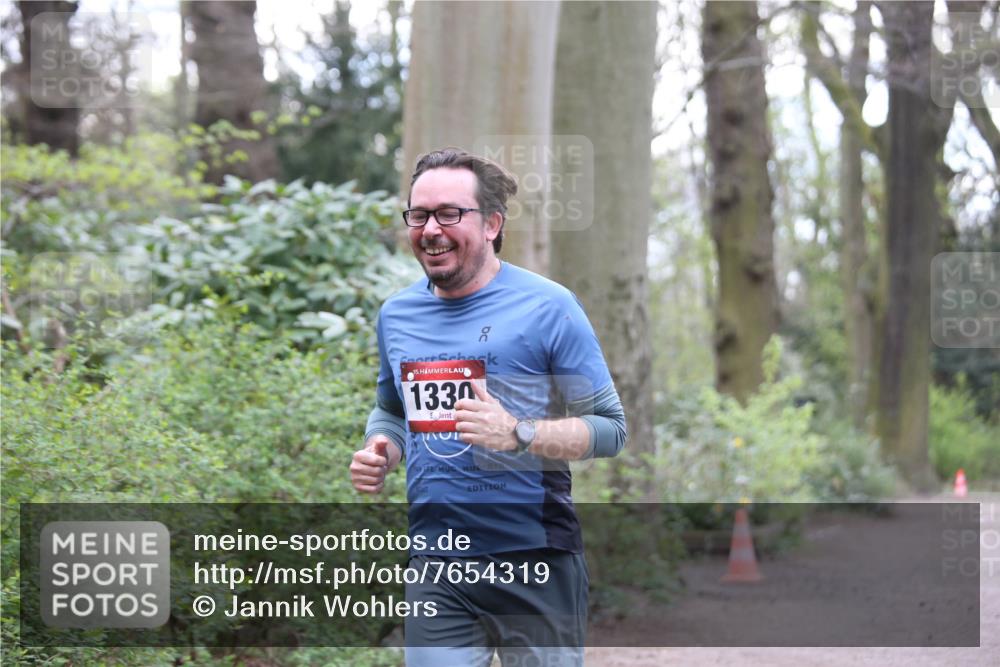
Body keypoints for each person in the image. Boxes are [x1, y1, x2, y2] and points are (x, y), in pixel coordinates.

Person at [349, 147, 627, 667]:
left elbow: (611, 429)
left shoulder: (547, 307)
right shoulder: (398, 315)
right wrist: (382, 447)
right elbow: (391, 410)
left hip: (534, 557)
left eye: (449, 214)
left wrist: (519, 433)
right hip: (437, 562)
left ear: (493, 223)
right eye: (419, 214)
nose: (431, 229)